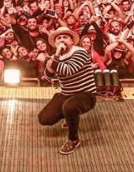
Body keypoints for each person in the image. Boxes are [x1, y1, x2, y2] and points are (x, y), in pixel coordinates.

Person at [37, 27, 96, 155]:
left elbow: (68, 70)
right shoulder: (55, 57)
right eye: (59, 38)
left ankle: (73, 140)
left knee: (70, 107)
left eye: (65, 37)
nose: (62, 40)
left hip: (85, 94)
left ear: (72, 41)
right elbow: (49, 76)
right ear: (55, 43)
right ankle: (70, 118)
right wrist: (53, 59)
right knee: (44, 119)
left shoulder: (80, 52)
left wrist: (46, 60)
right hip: (66, 94)